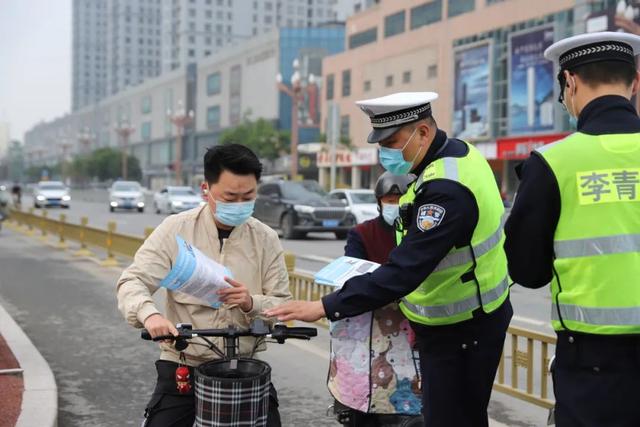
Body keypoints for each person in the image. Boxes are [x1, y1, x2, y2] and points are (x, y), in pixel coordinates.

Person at [266, 92, 513, 427]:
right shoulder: (460, 154)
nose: (386, 154)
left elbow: (403, 272)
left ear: (423, 133)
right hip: (471, 316)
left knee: (451, 419)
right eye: (381, 144)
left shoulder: (445, 188)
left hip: (462, 327)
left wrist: (323, 307)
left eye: (393, 142)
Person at [504, 32, 640, 427]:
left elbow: (526, 270)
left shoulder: (552, 163)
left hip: (593, 363)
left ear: (570, 83)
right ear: (634, 82)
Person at [116, 143, 292, 427]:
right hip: (184, 363)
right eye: (230, 197)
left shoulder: (266, 239)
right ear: (205, 190)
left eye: (247, 196)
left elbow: (283, 305)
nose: (239, 204)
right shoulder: (175, 230)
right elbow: (132, 280)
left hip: (244, 368)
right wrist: (150, 315)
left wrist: (251, 303)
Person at [331, 172, 423, 426]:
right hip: (369, 328)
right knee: (364, 401)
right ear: (379, 201)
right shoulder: (362, 233)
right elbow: (353, 272)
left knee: (411, 404)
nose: (394, 203)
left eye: (400, 198)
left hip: (411, 325)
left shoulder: (419, 234)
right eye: (389, 199)